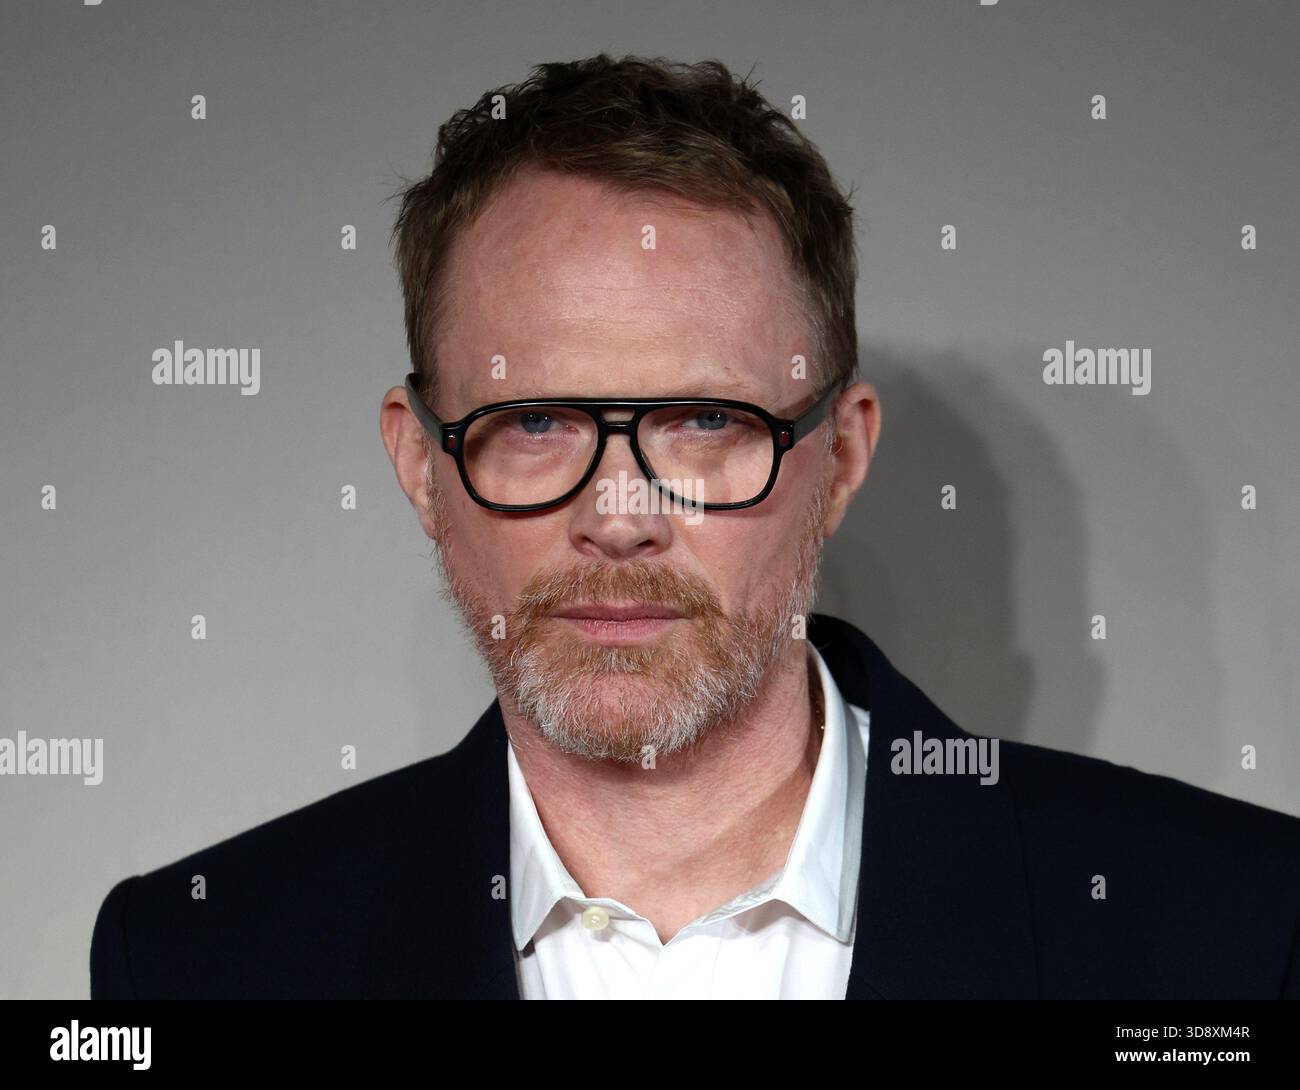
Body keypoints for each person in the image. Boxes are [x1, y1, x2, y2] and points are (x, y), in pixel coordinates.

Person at [91, 53, 1300, 999]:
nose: (621, 518)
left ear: (839, 457)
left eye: (704, 422)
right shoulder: (199, 960)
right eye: (537, 424)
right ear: (420, 465)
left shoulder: (1237, 927)